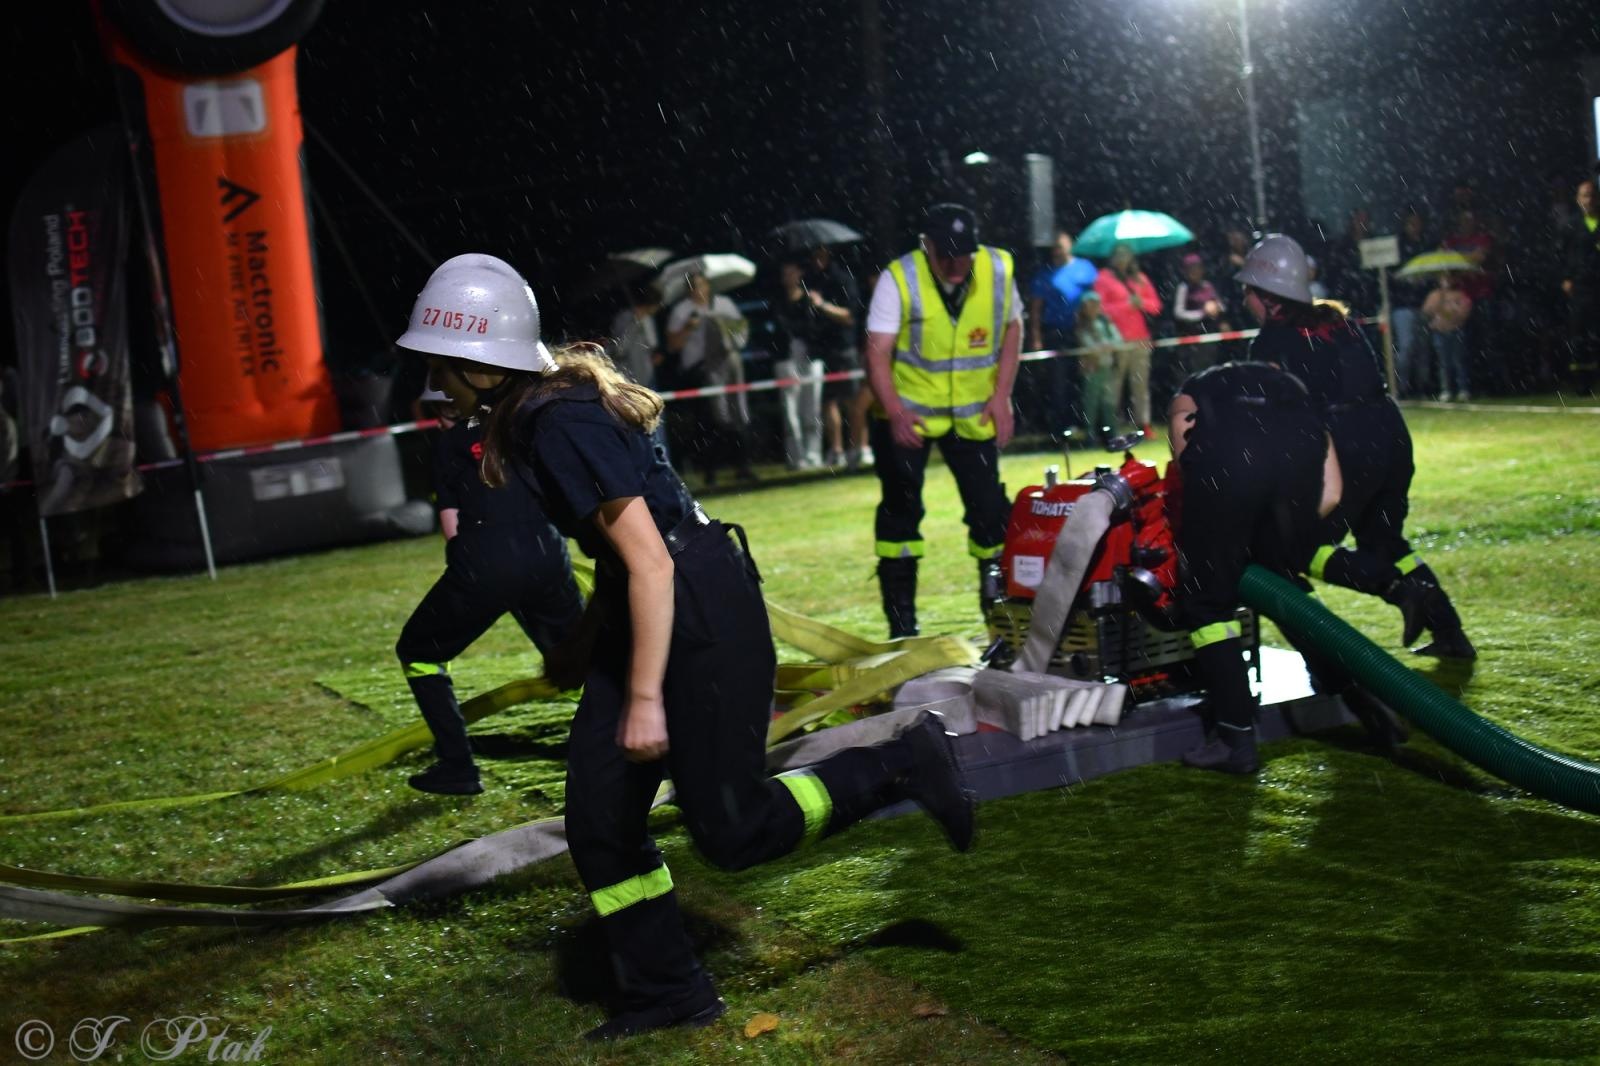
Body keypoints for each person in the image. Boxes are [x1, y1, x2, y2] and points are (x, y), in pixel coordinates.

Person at [396, 253, 976, 1040]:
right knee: (601, 819)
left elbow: (651, 559)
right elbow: (622, 555)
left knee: (733, 832)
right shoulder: (539, 410)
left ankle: (901, 762)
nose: (432, 376)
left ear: (477, 361)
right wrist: (585, 644)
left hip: (699, 613)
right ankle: (669, 990)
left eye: (439, 360)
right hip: (657, 603)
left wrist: (641, 699)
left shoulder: (555, 421)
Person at [1237, 234, 1475, 660]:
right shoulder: (1336, 320)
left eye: (1249, 289)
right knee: (1383, 539)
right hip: (1390, 432)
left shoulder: (1271, 342)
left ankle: (1353, 637)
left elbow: (1278, 418)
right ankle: (1449, 632)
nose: (1243, 297)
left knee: (1292, 550)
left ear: (1270, 297)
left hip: (1345, 445)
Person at [394, 379, 586, 795]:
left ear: (444, 410)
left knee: (418, 653)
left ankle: (457, 765)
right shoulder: (523, 428)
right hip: (547, 556)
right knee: (581, 659)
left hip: (485, 564)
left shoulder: (449, 445)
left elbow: (451, 525)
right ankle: (612, 744)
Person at [1165, 361, 1344, 773]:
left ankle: (1234, 737)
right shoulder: (1297, 397)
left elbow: (1186, 462)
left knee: (1208, 608)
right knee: (1282, 584)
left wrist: (1221, 531)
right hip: (1294, 485)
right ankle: (1341, 684)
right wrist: (1278, 532)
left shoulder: (1193, 393)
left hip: (1226, 476)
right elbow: (1332, 493)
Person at [862, 203, 1022, 638]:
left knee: (991, 516)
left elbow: (1012, 328)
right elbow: (877, 350)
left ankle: (1001, 623)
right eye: (946, 254)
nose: (957, 264)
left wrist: (1002, 396)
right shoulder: (900, 277)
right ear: (926, 245)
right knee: (901, 514)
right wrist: (894, 410)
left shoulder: (997, 266)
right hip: (907, 417)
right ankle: (902, 629)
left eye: (964, 253)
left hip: (972, 417)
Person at [665, 270, 755, 485]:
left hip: (729, 366)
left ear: (708, 285)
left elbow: (741, 331)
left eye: (702, 285)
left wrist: (726, 329)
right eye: (694, 286)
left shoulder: (724, 303)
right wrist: (688, 328)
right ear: (688, 290)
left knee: (737, 416)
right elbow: (672, 345)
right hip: (700, 370)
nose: (699, 290)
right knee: (708, 421)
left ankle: (743, 467)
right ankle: (710, 471)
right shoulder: (681, 310)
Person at [1026, 229, 1099, 436]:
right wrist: (1036, 336)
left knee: (1088, 378)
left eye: (1061, 245)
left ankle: (1088, 426)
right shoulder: (1045, 274)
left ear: (1070, 244)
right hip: (1055, 333)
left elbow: (1096, 298)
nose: (1058, 250)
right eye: (1055, 247)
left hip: (1084, 330)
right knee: (1059, 382)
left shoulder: (1085, 268)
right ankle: (1061, 429)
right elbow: (1036, 308)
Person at [802, 245, 869, 467]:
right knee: (828, 403)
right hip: (823, 351)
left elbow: (849, 317)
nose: (816, 260)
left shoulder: (843, 279)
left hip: (844, 348)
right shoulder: (811, 282)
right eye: (813, 256)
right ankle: (837, 451)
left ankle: (859, 448)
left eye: (819, 255)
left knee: (853, 402)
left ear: (827, 255)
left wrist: (822, 306)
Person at [1093, 243, 1162, 437]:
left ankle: (1144, 423)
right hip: (1116, 340)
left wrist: (1143, 303)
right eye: (1119, 255)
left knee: (1140, 385)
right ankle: (1110, 426)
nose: (1123, 259)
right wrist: (1126, 306)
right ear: (1112, 257)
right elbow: (1099, 309)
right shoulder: (1103, 279)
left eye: (1126, 255)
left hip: (1141, 339)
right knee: (1114, 385)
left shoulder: (1140, 279)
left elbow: (1156, 306)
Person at [770, 258, 826, 469]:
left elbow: (815, 330)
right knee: (790, 411)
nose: (788, 277)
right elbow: (780, 330)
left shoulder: (810, 299)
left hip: (811, 357)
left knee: (812, 409)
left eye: (792, 272)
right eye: (785, 273)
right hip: (786, 359)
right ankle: (796, 457)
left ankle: (814, 454)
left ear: (800, 274)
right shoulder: (777, 301)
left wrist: (813, 309)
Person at [1560, 178, 1600, 395]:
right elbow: (1563, 256)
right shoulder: (1570, 226)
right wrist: (1566, 278)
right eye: (1585, 195)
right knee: (1579, 335)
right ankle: (1582, 383)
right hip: (1581, 288)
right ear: (1577, 199)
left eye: (1592, 195)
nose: (1589, 199)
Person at [1073, 291, 1122, 442]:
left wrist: (1108, 345)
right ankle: (1090, 434)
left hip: (1107, 367)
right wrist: (1101, 347)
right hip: (1092, 369)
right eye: (1090, 305)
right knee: (1090, 404)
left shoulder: (1105, 322)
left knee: (1109, 403)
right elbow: (1087, 344)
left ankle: (1111, 433)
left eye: (1096, 304)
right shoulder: (1082, 325)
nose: (1093, 308)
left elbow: (1118, 340)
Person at [1422, 270, 1473, 401]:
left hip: (1456, 331)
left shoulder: (1461, 295)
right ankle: (1446, 390)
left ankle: (1463, 389)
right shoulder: (1434, 295)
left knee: (1458, 361)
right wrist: (1439, 302)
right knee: (1444, 363)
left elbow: (1463, 314)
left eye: (1448, 278)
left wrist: (1447, 312)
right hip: (1439, 332)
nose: (1445, 281)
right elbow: (1426, 310)